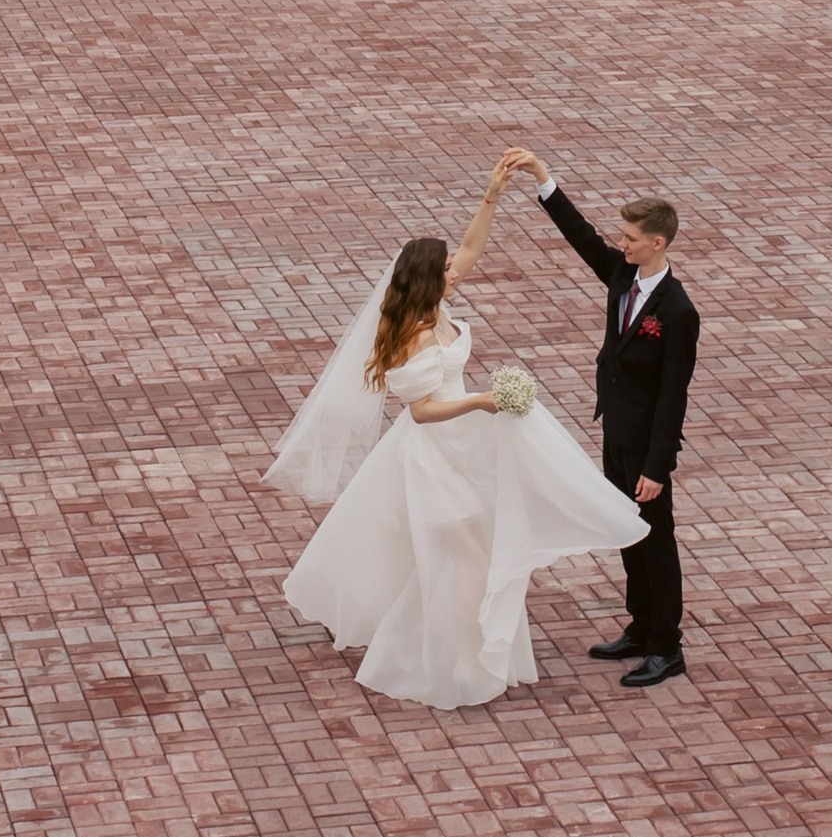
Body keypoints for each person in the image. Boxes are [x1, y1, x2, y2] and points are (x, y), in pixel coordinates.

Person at [266, 159, 646, 710]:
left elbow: (470, 248)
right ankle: (464, 661)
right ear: (428, 278)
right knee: (470, 557)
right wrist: (483, 400)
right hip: (434, 455)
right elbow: (420, 410)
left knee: (457, 551)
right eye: (446, 268)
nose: (457, 271)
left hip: (463, 446)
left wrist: (491, 196)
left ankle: (466, 648)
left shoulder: (435, 302)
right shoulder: (414, 335)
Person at [501, 147, 700, 689]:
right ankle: (640, 628)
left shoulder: (678, 312)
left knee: (655, 539)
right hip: (617, 429)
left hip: (647, 447)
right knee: (626, 531)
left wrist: (658, 468)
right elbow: (581, 235)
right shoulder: (621, 273)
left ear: (657, 243)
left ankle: (666, 646)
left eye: (632, 238)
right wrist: (544, 180)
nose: (623, 243)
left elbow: (673, 396)